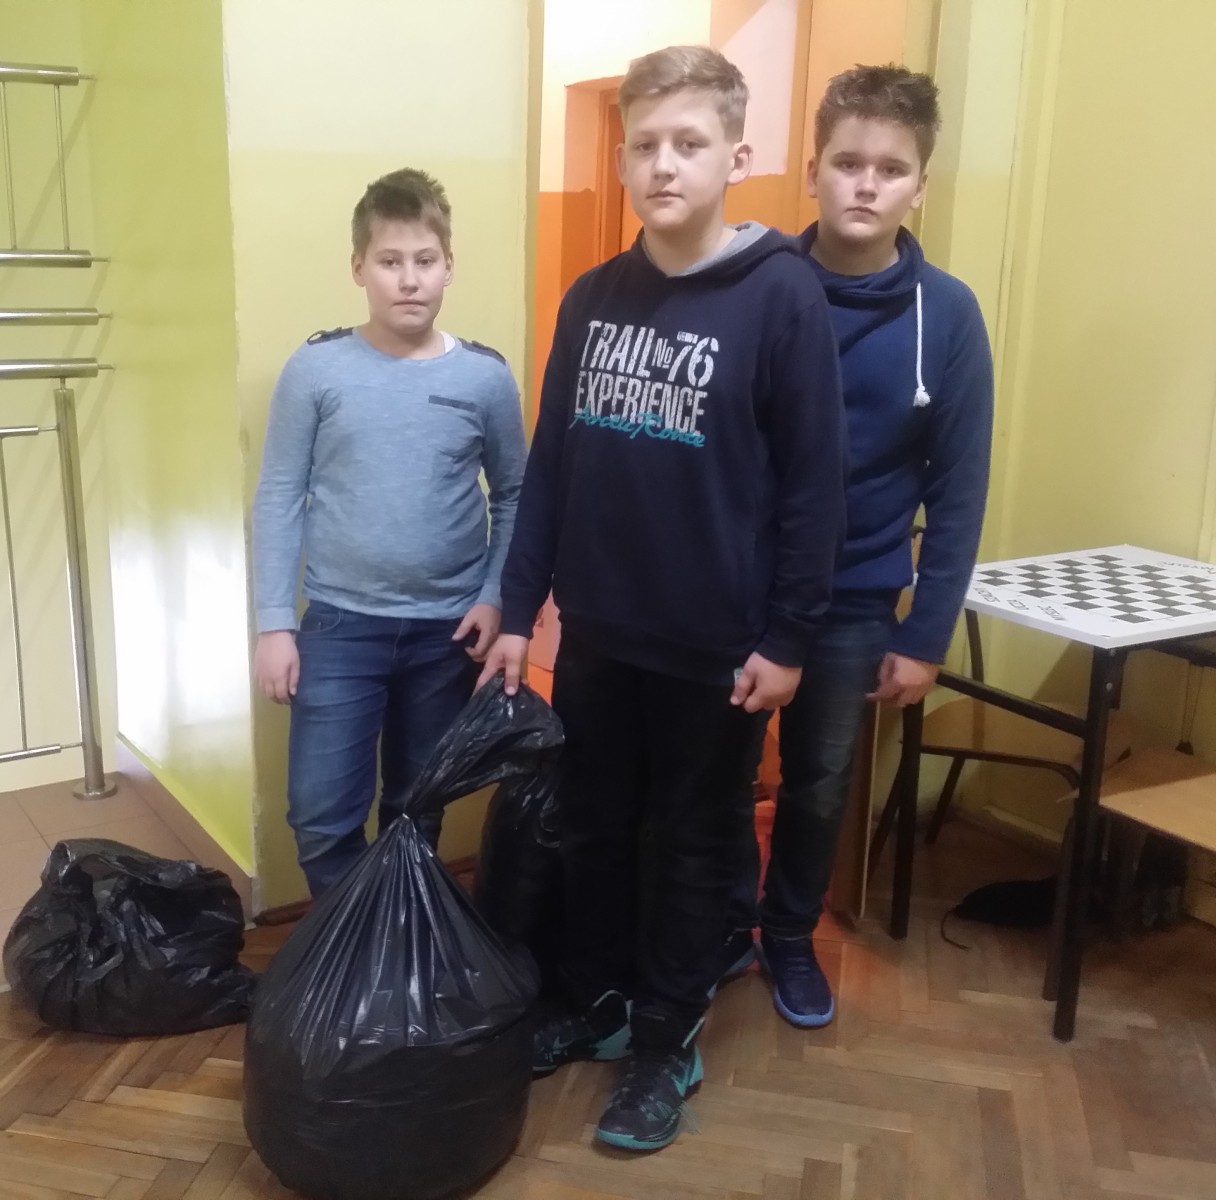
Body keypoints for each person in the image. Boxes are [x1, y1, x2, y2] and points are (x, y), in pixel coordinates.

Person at [479, 46, 845, 1152]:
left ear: (737, 155)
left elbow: (813, 486)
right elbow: (551, 469)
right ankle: (597, 1003)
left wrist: (788, 637)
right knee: (592, 830)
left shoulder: (782, 295)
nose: (663, 164)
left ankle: (664, 1041)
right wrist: (517, 612)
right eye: (644, 144)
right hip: (598, 633)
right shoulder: (593, 298)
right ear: (622, 158)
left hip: (715, 648)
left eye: (689, 143)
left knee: (693, 845)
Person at [718, 65, 994, 1028]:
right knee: (721, 768)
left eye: (891, 168)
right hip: (741, 588)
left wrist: (925, 635)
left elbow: (959, 488)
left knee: (821, 777)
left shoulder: (947, 316)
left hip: (855, 598)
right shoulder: (755, 286)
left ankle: (790, 934)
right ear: (812, 172)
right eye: (847, 163)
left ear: (920, 185)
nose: (866, 185)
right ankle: (723, 925)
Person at [251, 168, 526, 898]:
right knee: (321, 816)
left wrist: (496, 597)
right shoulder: (316, 369)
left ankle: (401, 943)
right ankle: (348, 946)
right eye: (390, 261)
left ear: (449, 266)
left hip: (448, 631)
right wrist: (274, 624)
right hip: (341, 626)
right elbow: (278, 495)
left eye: (425, 260)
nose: (409, 280)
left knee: (416, 809)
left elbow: (516, 495)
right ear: (358, 268)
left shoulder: (485, 378)